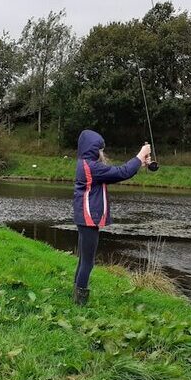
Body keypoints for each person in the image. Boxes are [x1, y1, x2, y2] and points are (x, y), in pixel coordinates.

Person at [72, 129, 151, 305]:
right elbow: (122, 172)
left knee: (84, 259)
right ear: (92, 149)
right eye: (100, 149)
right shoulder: (92, 168)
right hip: (88, 219)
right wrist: (141, 155)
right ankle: (79, 302)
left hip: (84, 218)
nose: (102, 153)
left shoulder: (85, 164)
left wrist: (138, 162)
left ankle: (76, 293)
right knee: (88, 262)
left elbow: (118, 170)